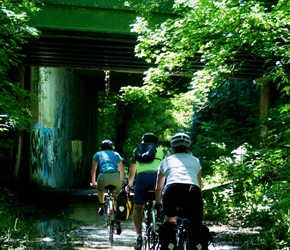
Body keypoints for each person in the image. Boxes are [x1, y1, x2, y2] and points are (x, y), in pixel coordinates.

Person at [155, 132, 203, 250]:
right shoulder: (196, 160)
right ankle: (197, 245)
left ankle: (169, 247)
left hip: (172, 189)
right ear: (189, 147)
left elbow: (159, 187)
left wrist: (158, 202)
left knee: (169, 219)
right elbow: (199, 185)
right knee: (196, 223)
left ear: (172, 147)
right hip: (193, 190)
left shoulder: (166, 161)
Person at [126, 133, 164, 250]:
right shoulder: (160, 151)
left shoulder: (136, 151)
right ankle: (160, 222)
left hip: (142, 178)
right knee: (162, 203)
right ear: (156, 144)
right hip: (157, 178)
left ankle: (138, 236)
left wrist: (129, 185)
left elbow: (132, 172)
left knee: (138, 208)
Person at [91, 139, 125, 234]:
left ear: (101, 147)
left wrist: (94, 182)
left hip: (103, 176)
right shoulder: (116, 154)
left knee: (100, 189)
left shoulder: (97, 154)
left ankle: (101, 205)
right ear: (112, 147)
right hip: (115, 176)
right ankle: (118, 220)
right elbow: (121, 170)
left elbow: (93, 170)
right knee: (117, 196)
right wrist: (121, 180)